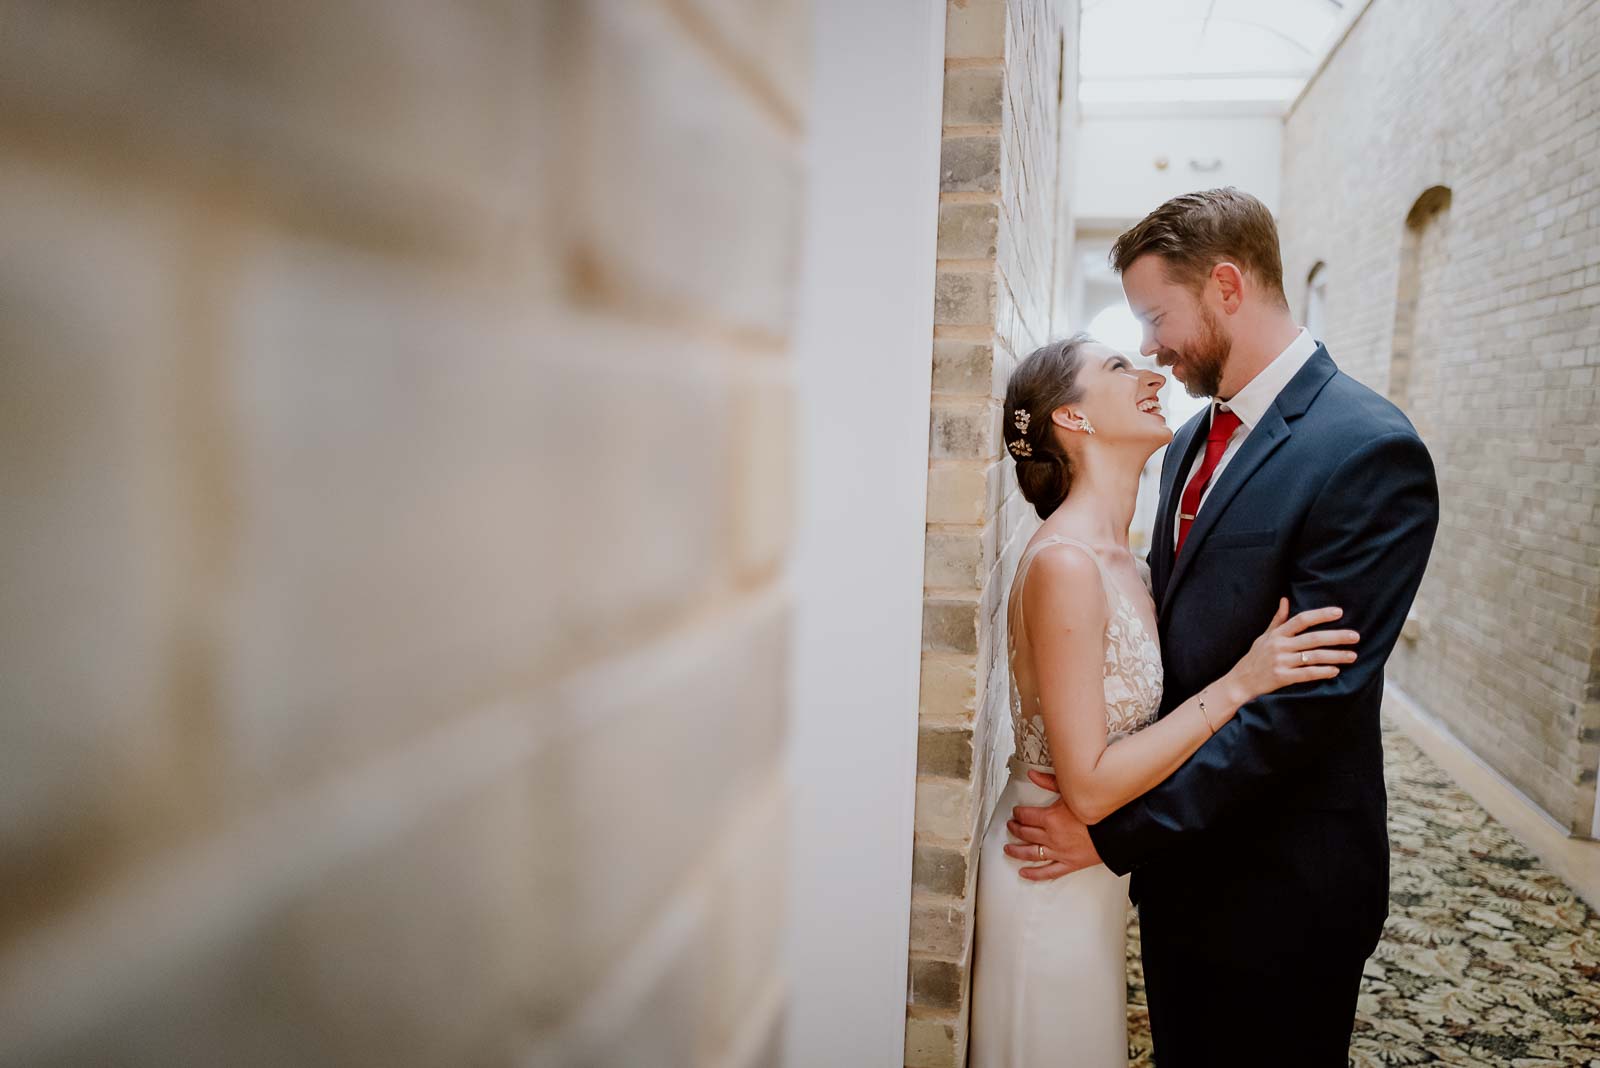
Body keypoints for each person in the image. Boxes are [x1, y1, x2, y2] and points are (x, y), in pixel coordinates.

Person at [1003, 188, 1440, 1066]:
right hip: (1177, 878)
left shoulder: (1367, 450)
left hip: (1279, 885)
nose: (1152, 349)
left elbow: (1305, 709)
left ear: (1229, 287)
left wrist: (1115, 832)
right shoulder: (1196, 435)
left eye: (1157, 316)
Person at [968, 332, 1362, 1065]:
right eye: (1118, 367)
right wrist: (1243, 682)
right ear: (1072, 420)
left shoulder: (1128, 560)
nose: (1151, 372)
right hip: (1046, 868)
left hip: (1095, 879)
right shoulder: (1065, 565)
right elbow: (1085, 789)